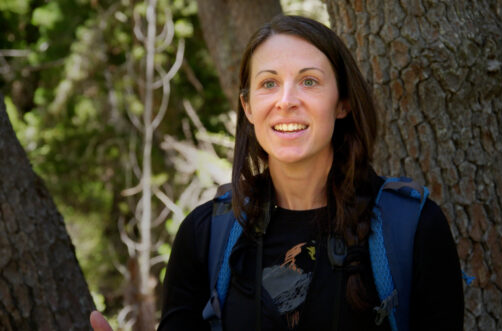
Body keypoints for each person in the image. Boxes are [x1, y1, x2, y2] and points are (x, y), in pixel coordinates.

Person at [92, 15, 464, 331]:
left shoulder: (412, 229)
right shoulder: (205, 236)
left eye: (309, 81)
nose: (286, 100)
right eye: (268, 83)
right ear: (248, 106)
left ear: (343, 103)